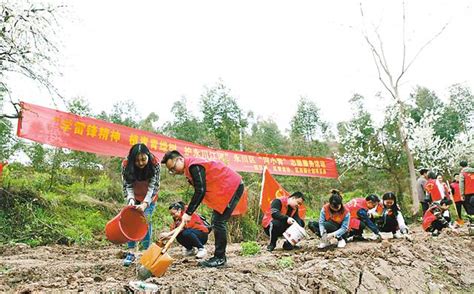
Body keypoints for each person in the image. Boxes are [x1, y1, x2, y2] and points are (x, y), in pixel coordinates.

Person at [161, 150, 244, 268]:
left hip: (232, 186)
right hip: (225, 189)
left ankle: (220, 258)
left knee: (219, 222)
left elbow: (200, 190)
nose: (174, 171)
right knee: (217, 221)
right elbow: (199, 191)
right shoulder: (189, 169)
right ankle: (219, 257)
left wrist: (188, 212)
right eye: (171, 170)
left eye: (173, 167)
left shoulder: (194, 166)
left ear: (180, 159)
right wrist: (188, 211)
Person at [122, 143, 160, 266]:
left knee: (146, 222)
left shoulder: (155, 163)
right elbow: (127, 185)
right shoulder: (126, 164)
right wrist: (131, 200)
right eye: (137, 160)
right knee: (130, 221)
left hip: (149, 197)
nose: (141, 163)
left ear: (148, 156)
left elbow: (153, 186)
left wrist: (145, 203)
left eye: (143, 159)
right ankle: (131, 252)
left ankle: (145, 253)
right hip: (134, 196)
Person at [459, 160, 474, 231]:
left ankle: (472, 222)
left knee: (470, 207)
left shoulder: (463, 173)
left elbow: (461, 184)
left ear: (461, 166)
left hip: (468, 193)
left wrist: (462, 194)